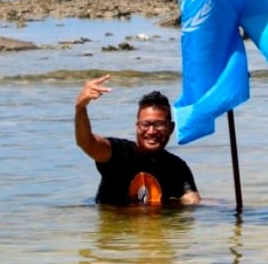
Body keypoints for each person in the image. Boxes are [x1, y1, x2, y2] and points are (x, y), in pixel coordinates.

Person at [75, 74, 200, 206]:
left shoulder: (177, 168)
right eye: (146, 124)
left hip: (156, 225)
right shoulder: (118, 153)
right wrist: (80, 107)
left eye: (159, 124)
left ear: (171, 128)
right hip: (115, 223)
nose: (151, 131)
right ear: (137, 126)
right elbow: (86, 142)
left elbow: (192, 202)